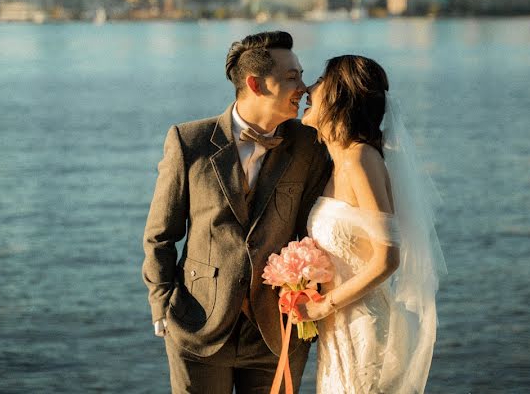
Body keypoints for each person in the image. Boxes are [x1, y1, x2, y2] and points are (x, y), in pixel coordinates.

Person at [142, 31, 331, 394]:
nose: (304, 87)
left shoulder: (308, 145)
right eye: (292, 76)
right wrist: (162, 304)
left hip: (278, 332)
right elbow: (160, 235)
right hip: (197, 327)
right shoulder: (190, 142)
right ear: (255, 83)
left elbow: (314, 230)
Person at [296, 55, 447, 394]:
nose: (309, 88)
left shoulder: (360, 159)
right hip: (339, 330)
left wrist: (323, 305)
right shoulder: (336, 162)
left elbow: (388, 258)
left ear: (339, 96)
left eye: (320, 80)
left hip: (363, 325)